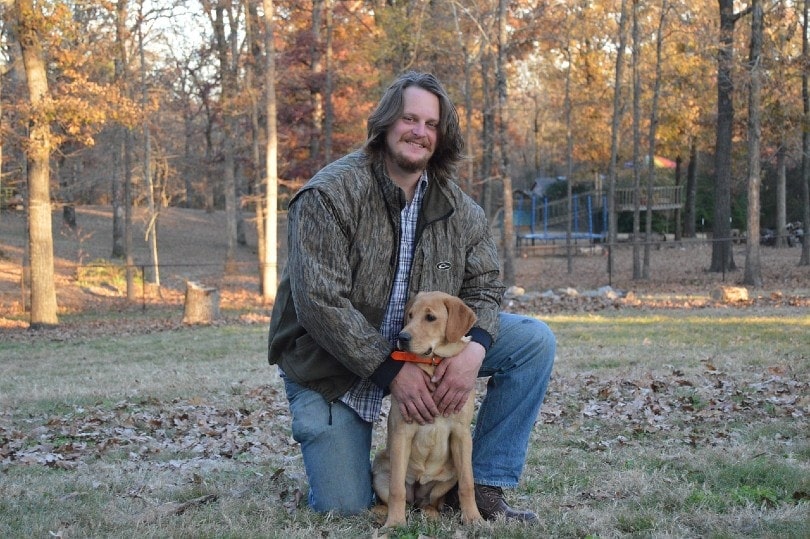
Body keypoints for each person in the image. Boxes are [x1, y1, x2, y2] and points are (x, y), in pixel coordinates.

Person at [268, 71, 556, 522]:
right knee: (344, 506)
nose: (419, 132)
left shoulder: (461, 210)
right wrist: (391, 371)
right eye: (409, 118)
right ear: (385, 122)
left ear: (442, 136)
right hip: (333, 364)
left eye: (431, 124)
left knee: (534, 343)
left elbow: (484, 288)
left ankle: (482, 486)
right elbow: (320, 303)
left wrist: (474, 350)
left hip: (428, 350)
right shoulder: (328, 194)